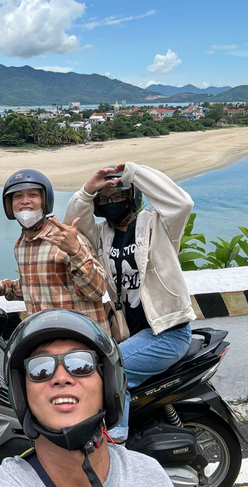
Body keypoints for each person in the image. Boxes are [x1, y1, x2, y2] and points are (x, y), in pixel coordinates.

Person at [0, 309, 188, 487]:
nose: (61, 378)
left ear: (108, 383)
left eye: (81, 364)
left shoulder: (149, 476)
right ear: (22, 394)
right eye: (40, 369)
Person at [64, 162, 196, 440]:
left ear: (131, 197)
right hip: (133, 334)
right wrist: (88, 191)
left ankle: (116, 442)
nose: (113, 203)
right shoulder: (102, 236)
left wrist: (133, 172)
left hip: (167, 332)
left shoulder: (157, 224)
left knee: (112, 367)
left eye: (119, 197)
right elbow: (72, 226)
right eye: (106, 200)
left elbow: (182, 202)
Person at [0, 169, 109, 330]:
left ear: (45, 200)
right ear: (9, 204)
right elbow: (34, 285)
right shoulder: (21, 245)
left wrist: (76, 251)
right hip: (45, 337)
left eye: (33, 195)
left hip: (82, 338)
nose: (25, 200)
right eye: (18, 196)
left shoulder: (65, 237)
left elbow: (98, 290)